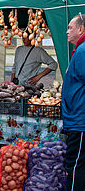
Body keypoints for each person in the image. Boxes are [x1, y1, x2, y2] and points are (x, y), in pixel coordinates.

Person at [62, 13, 85, 191]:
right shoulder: (79, 49)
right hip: (76, 118)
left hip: (80, 120)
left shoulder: (83, 50)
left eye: (70, 27)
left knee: (75, 165)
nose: (67, 31)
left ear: (81, 29)